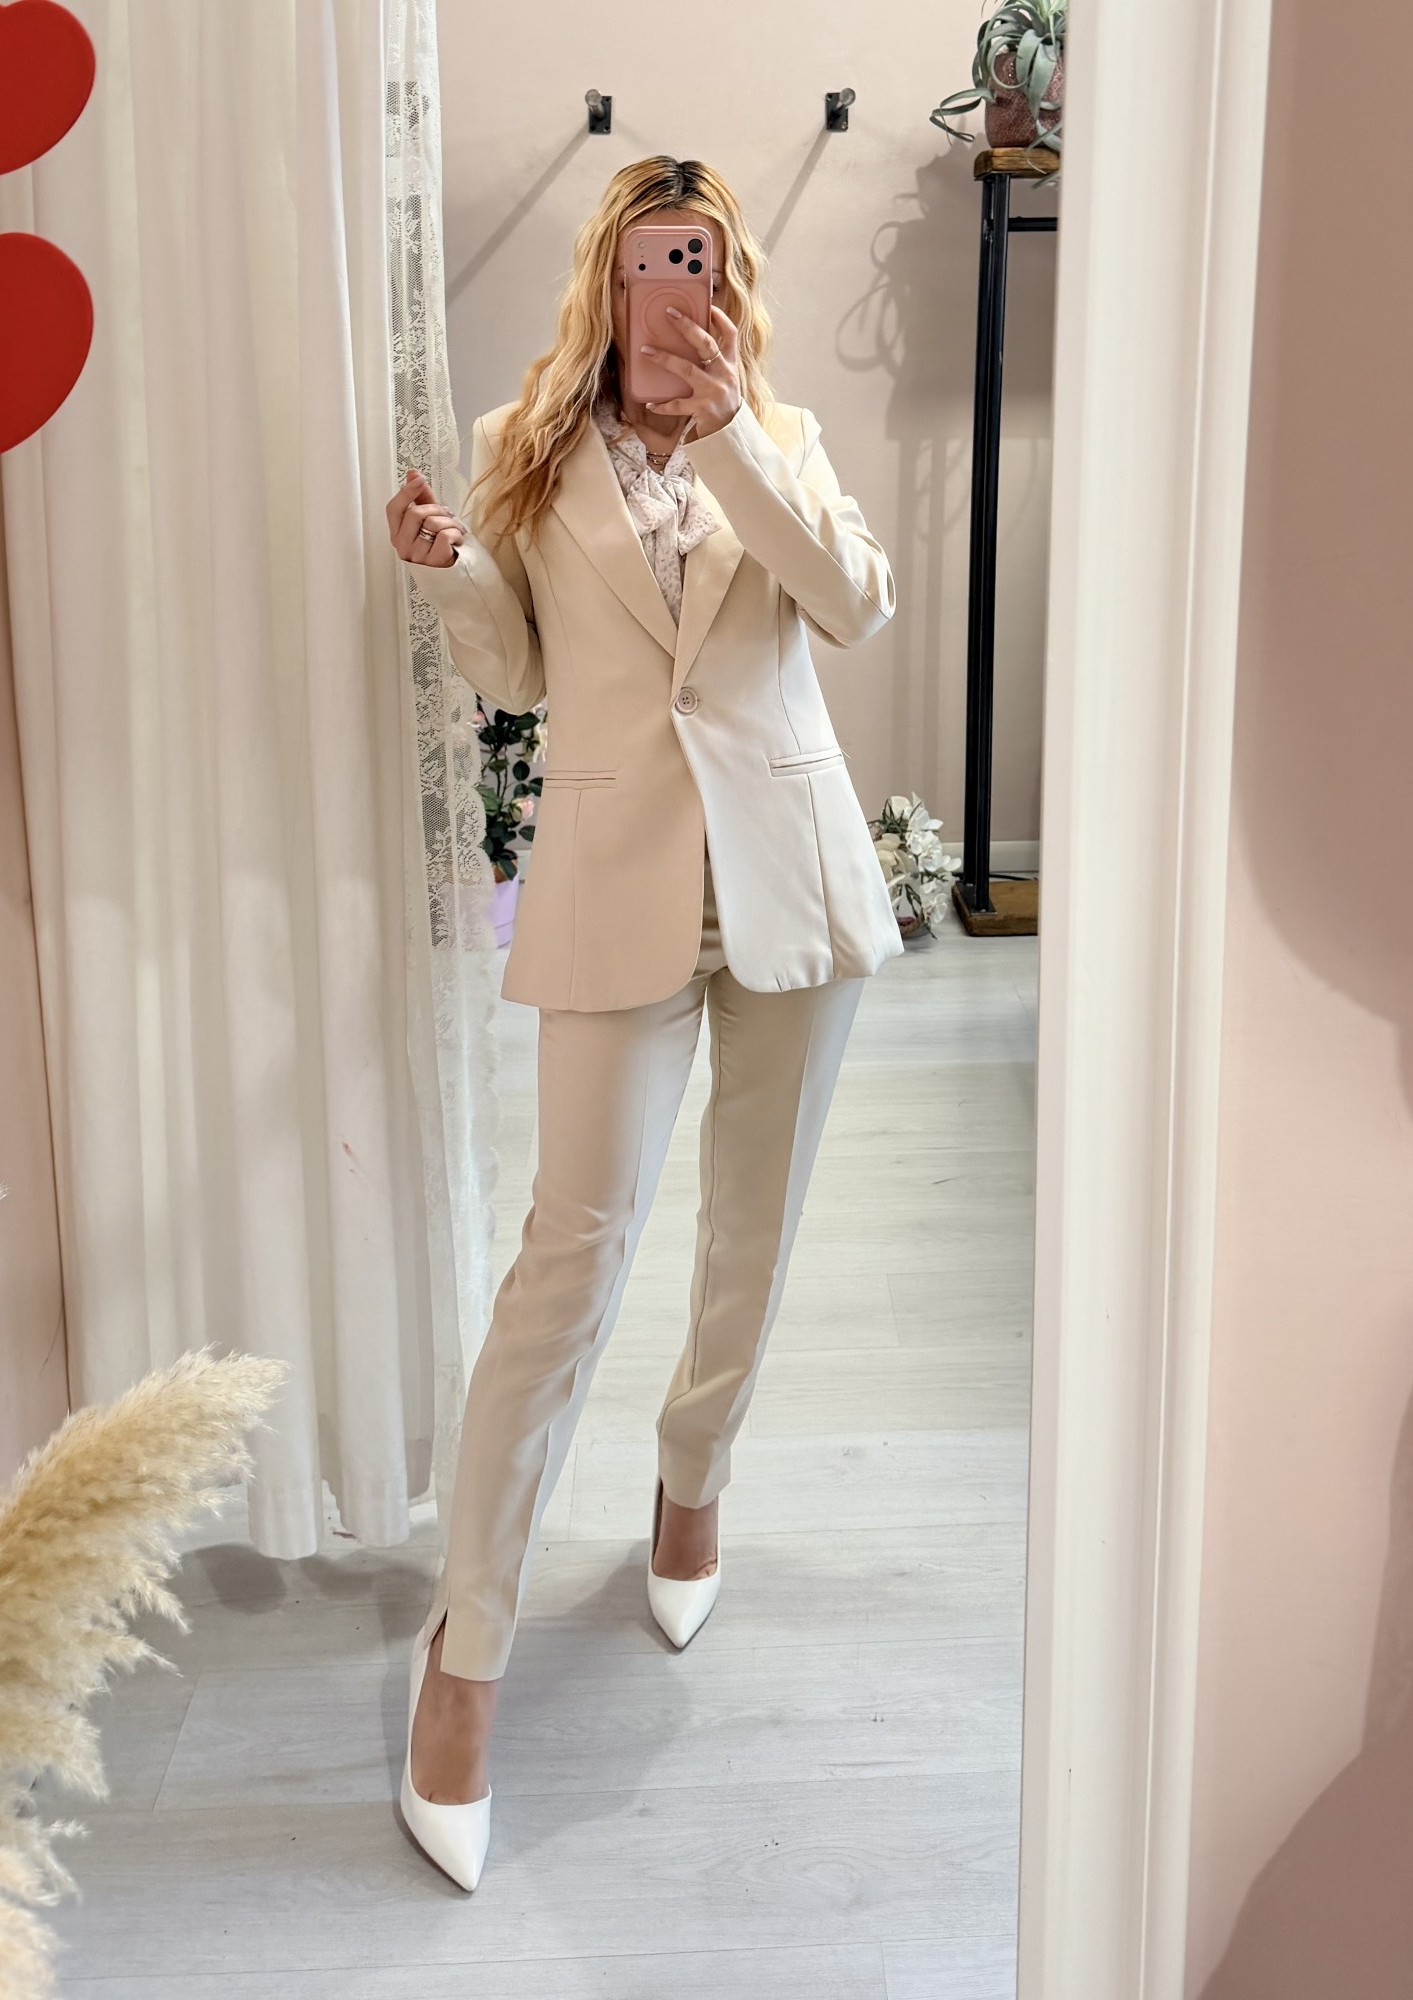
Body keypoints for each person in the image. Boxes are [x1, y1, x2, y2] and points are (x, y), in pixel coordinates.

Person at [384, 154, 901, 1891]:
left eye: (706, 261)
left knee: (752, 1236)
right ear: (609, 277)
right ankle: (465, 1655)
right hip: (615, 889)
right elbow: (519, 672)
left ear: (725, 281)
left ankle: (694, 1480)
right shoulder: (521, 446)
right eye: (652, 261)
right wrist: (452, 569)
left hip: (789, 885)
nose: (679, 288)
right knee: (569, 1257)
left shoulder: (785, 434)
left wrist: (738, 432)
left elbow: (852, 605)